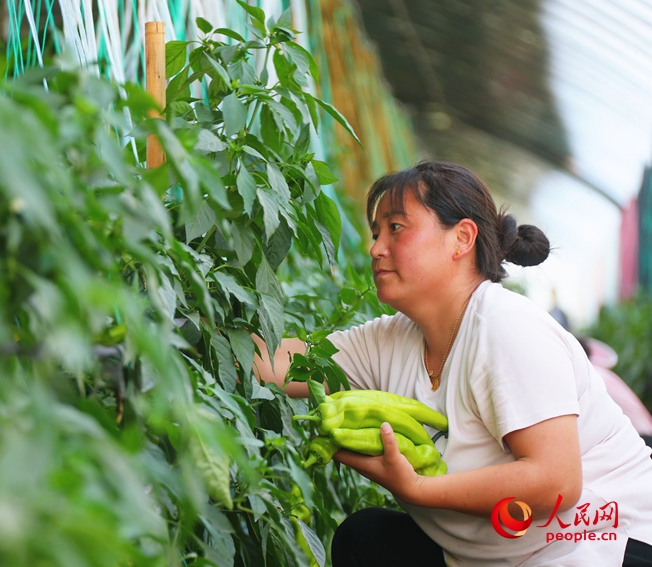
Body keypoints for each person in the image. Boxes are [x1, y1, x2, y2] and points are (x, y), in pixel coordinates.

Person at [252, 161, 652, 566]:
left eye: (395, 228)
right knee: (365, 539)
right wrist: (196, 322)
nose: (375, 248)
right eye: (376, 233)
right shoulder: (391, 340)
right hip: (500, 555)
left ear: (461, 238)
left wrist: (417, 488)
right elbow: (275, 362)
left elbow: (556, 484)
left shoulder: (506, 327)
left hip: (600, 546)